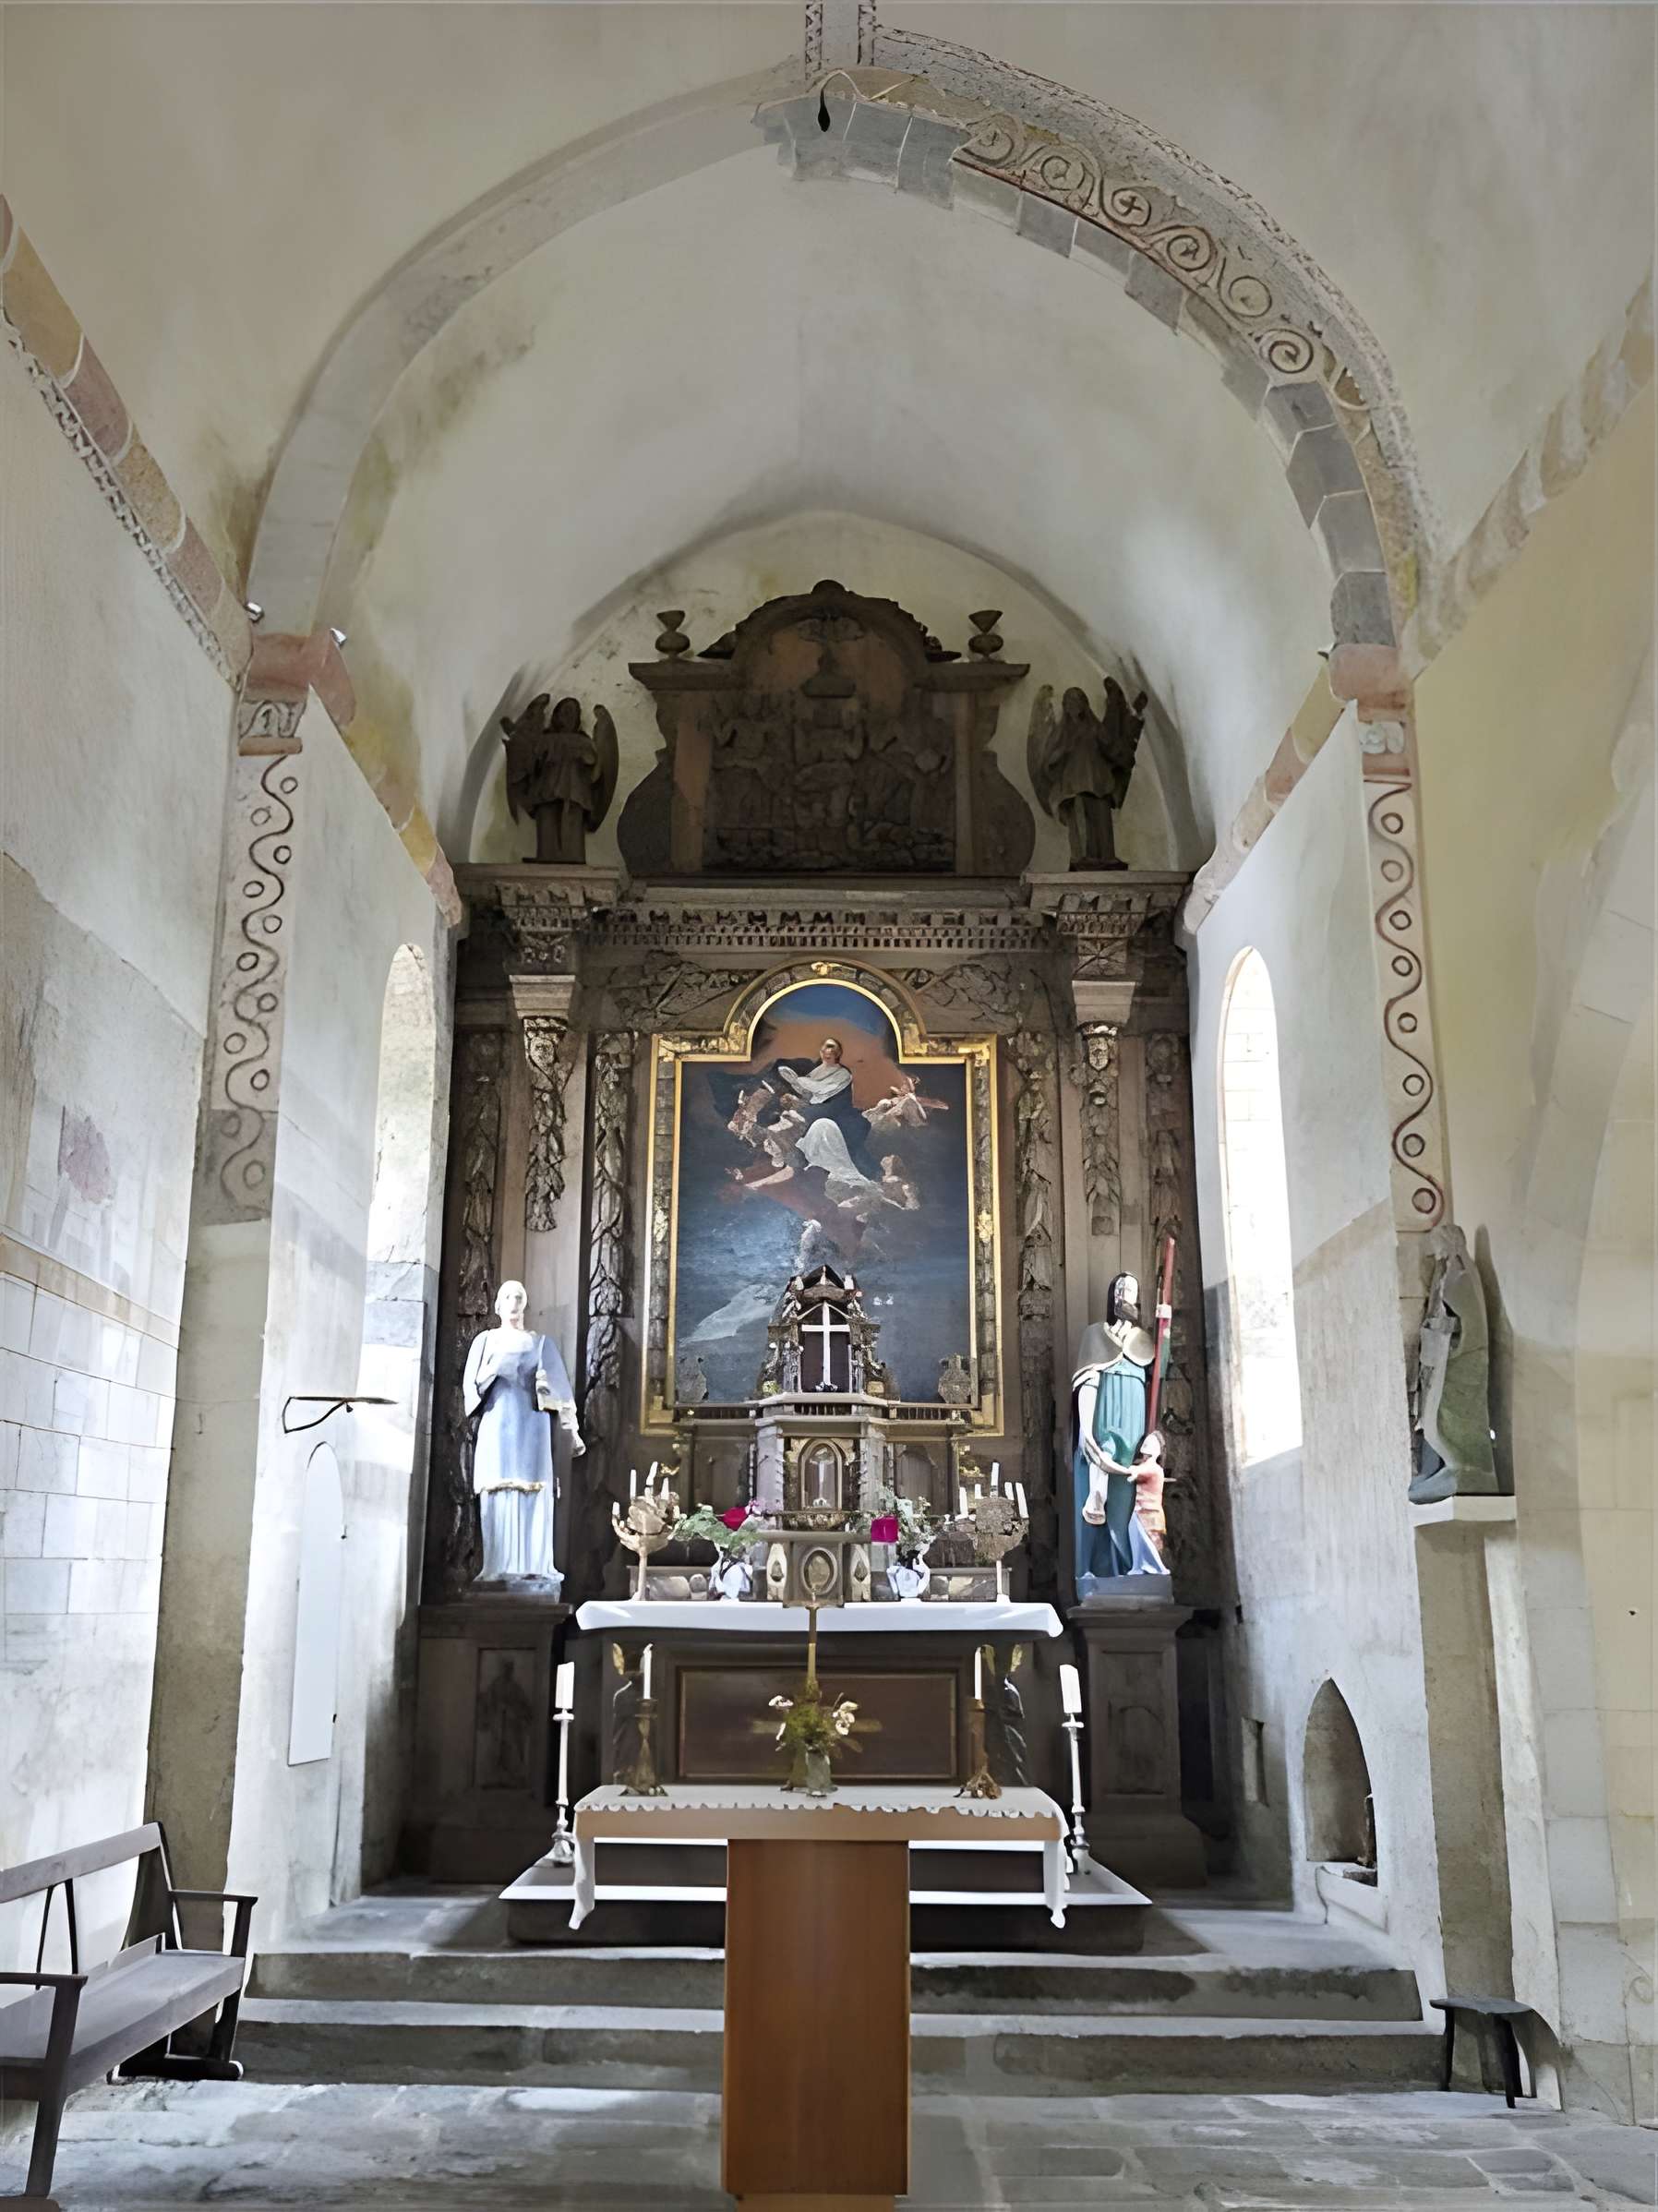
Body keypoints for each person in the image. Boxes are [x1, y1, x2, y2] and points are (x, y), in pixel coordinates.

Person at [462, 1280, 583, 1586]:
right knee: (496, 1487)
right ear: (498, 1305)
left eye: (518, 1296)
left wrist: (547, 1392)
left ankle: (534, 1566)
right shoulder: (485, 1342)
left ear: (525, 1303)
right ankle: (496, 1566)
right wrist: (494, 1369)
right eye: (507, 1296)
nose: (513, 1301)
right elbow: (470, 1389)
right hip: (497, 1423)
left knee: (532, 1488)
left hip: (531, 1426)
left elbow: (561, 1392)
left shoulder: (540, 1344)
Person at [1072, 1272, 1171, 1594]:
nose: (1125, 1295)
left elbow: (1161, 1370)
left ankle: (1131, 1568)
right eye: (1120, 1289)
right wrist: (1086, 1431)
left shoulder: (1144, 1342)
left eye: (1131, 1290)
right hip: (1103, 1421)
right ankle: (1097, 1573)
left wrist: (1165, 1330)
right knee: (1098, 1480)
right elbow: (1087, 1384)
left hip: (1133, 1427)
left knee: (1128, 1501)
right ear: (1112, 1295)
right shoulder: (1095, 1335)